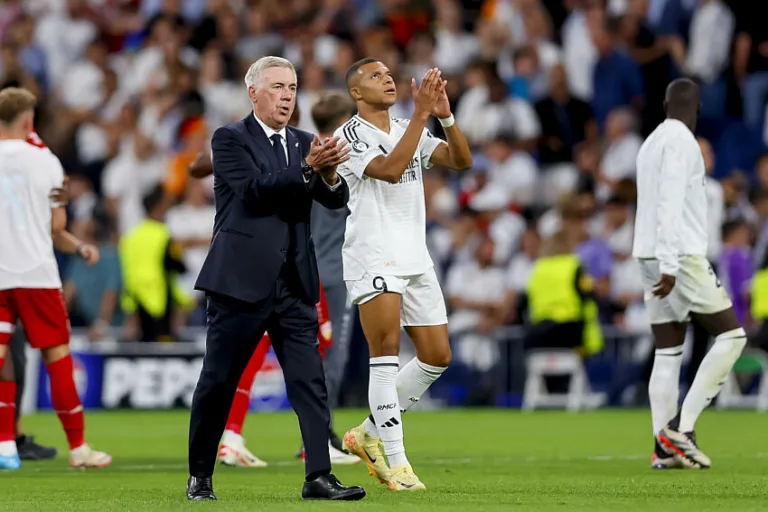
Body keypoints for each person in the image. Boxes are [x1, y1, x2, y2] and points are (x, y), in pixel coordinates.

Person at [186, 57, 365, 502]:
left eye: (293, 87)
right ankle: (201, 476)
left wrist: (325, 174)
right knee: (218, 381)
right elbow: (254, 190)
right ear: (253, 92)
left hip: (294, 282)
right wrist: (309, 168)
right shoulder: (229, 139)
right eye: (279, 87)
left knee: (309, 381)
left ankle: (319, 476)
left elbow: (334, 196)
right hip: (239, 283)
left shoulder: (306, 142)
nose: (288, 96)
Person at [336, 60, 472, 491]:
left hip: (415, 256)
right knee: (386, 354)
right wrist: (421, 114)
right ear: (356, 93)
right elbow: (391, 170)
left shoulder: (404, 124)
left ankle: (367, 433)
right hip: (374, 256)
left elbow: (460, 160)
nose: (388, 78)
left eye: (389, 73)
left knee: (437, 355)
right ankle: (396, 464)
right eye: (375, 76)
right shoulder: (350, 136)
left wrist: (445, 115)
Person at [633, 78, 747, 470]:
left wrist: (658, 259)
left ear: (666, 103)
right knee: (733, 336)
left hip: (646, 254)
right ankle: (680, 429)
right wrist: (669, 261)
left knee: (667, 351)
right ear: (696, 108)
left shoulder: (649, 142)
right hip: (677, 256)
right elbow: (668, 199)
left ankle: (663, 448)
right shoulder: (683, 142)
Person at [0, 87, 111, 470]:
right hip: (37, 274)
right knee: (57, 359)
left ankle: (4, 447)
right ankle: (79, 449)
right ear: (29, 120)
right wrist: (80, 246)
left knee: (0, 361)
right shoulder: (47, 162)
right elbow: (56, 227)